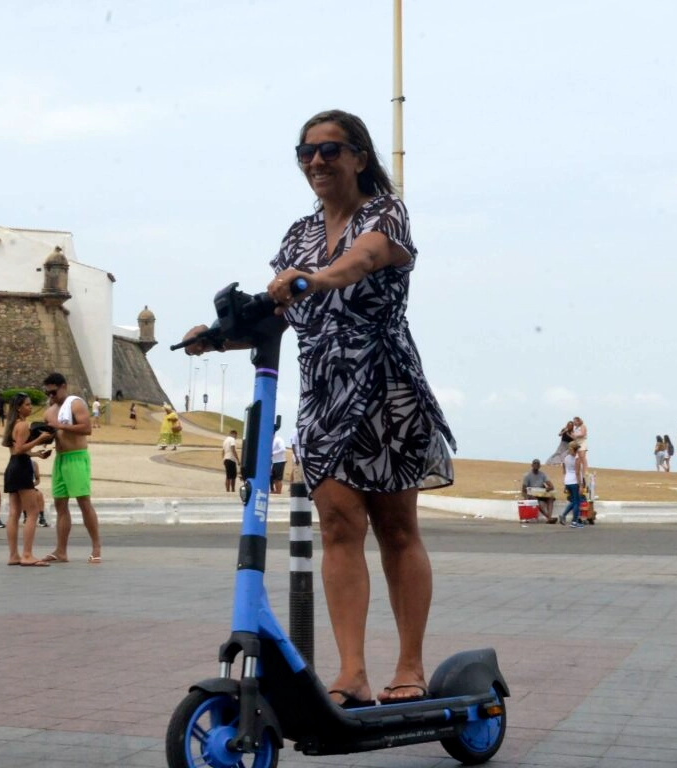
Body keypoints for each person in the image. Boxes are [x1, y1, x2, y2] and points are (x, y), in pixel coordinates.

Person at [185, 109, 455, 708]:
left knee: (396, 527)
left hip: (384, 387)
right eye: (304, 152)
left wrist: (319, 278)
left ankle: (409, 666)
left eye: (329, 151)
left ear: (359, 156)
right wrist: (218, 336)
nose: (315, 162)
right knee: (337, 526)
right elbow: (281, 310)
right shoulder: (297, 236)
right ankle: (352, 672)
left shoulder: (385, 213)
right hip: (324, 394)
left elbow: (359, 261)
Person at [41, 371, 102, 563]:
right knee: (60, 505)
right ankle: (61, 550)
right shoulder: (49, 411)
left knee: (84, 502)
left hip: (76, 457)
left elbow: (86, 428)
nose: (51, 397)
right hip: (60, 459)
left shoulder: (76, 403)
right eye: (48, 393)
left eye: (53, 392)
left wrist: (61, 426)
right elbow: (51, 434)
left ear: (64, 387)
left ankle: (96, 547)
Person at [1, 392, 54, 566]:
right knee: (32, 512)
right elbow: (19, 449)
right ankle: (27, 554)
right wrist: (40, 438)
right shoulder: (23, 425)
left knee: (14, 513)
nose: (30, 407)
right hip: (21, 468)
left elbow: (17, 451)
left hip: (12, 466)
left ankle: (13, 555)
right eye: (27, 405)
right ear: (19, 407)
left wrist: (36, 454)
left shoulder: (12, 425)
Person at [521, 458, 557, 523]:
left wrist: (548, 488)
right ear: (532, 465)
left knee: (551, 498)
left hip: (541, 494)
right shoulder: (527, 476)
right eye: (535, 464)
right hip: (532, 495)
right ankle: (549, 518)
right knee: (536, 500)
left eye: (537, 464)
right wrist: (526, 498)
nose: (536, 465)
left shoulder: (543, 474)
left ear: (540, 466)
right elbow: (523, 490)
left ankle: (549, 518)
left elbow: (551, 486)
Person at [559, 442, 584, 527]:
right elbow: (577, 472)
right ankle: (574, 522)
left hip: (567, 481)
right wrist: (580, 485)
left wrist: (565, 483)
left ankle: (563, 515)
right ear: (576, 449)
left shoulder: (566, 458)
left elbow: (564, 471)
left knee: (573, 501)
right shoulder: (577, 458)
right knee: (577, 502)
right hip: (574, 481)